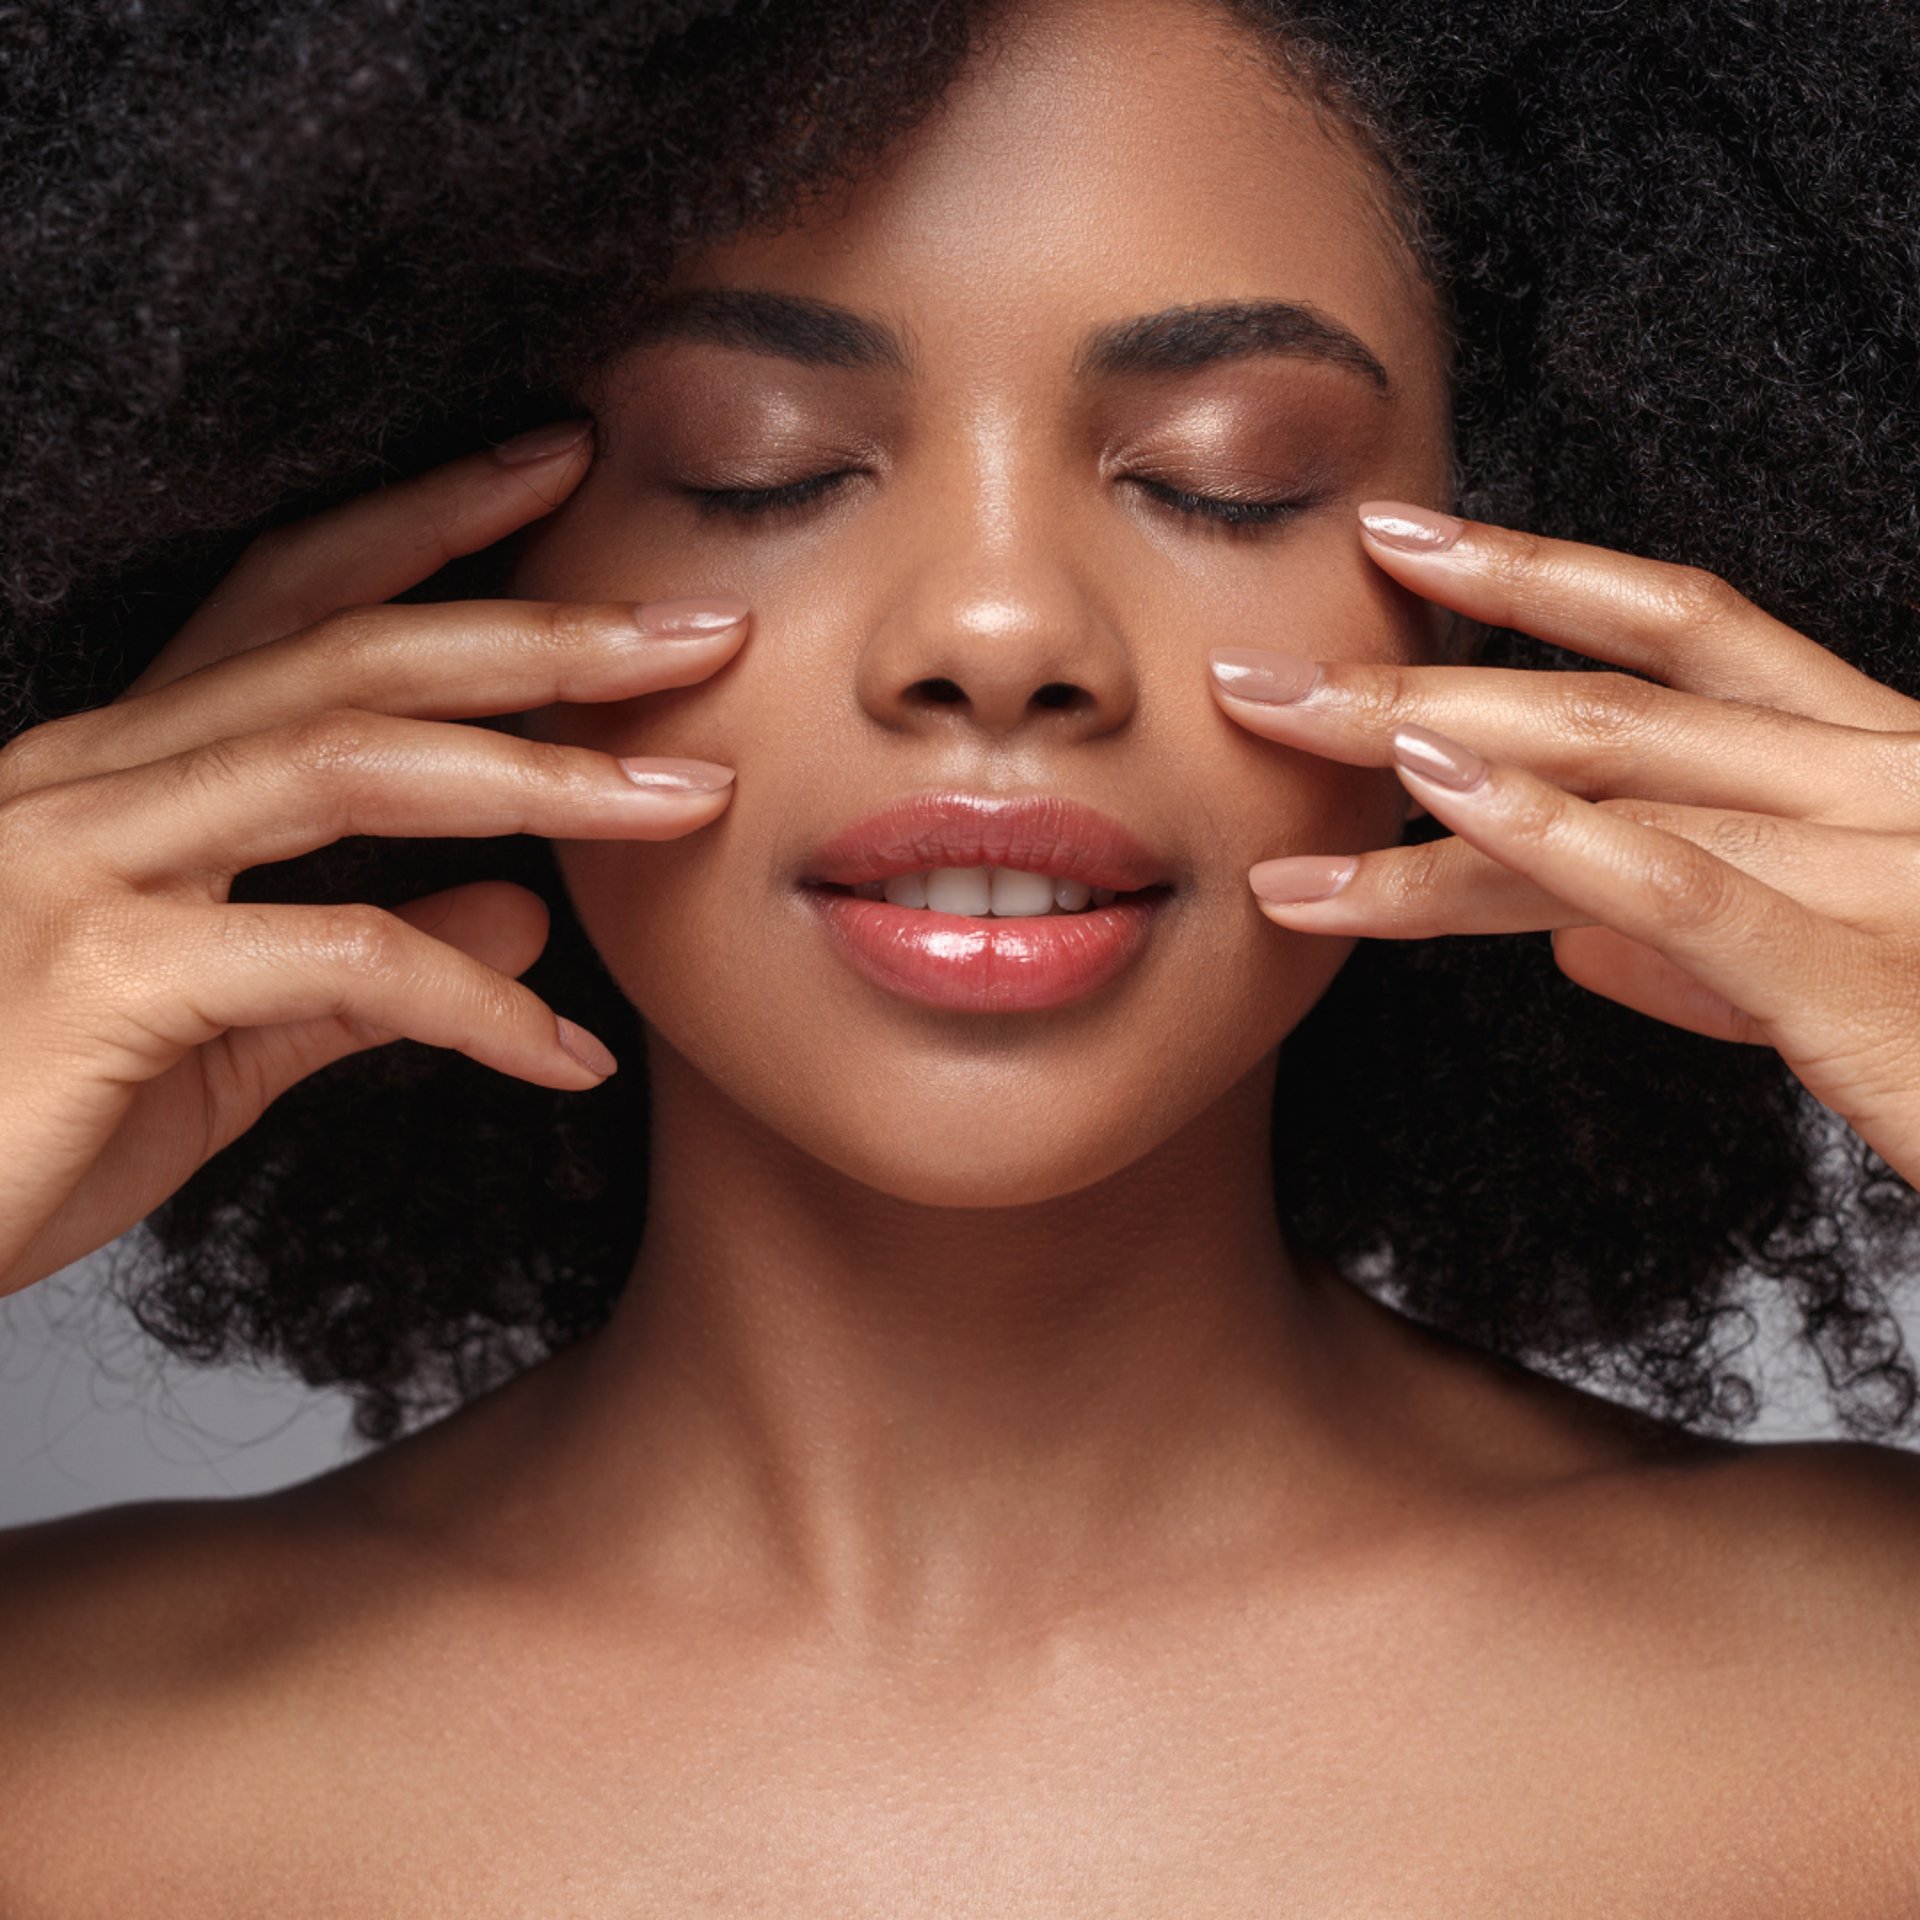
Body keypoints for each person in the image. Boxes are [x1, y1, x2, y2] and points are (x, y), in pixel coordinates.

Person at [2, 0, 1917, 1906]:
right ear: (455, 589)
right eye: (758, 465)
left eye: (1222, 475)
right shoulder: (59, 1774)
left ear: (1487, 615)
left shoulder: (1868, 1722)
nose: (999, 627)